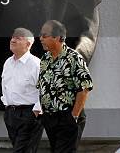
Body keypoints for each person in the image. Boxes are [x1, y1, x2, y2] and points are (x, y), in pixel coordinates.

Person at [38, 20, 93, 153]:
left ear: (57, 37)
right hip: (50, 118)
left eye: (44, 36)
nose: (40, 39)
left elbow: (85, 87)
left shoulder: (73, 58)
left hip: (67, 117)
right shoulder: (45, 59)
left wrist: (73, 116)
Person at [0, 27, 43, 152]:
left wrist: (36, 112)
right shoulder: (8, 62)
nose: (13, 40)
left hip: (29, 114)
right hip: (11, 115)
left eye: (18, 38)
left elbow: (46, 90)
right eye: (13, 37)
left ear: (28, 44)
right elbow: (5, 86)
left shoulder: (36, 64)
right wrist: (7, 107)